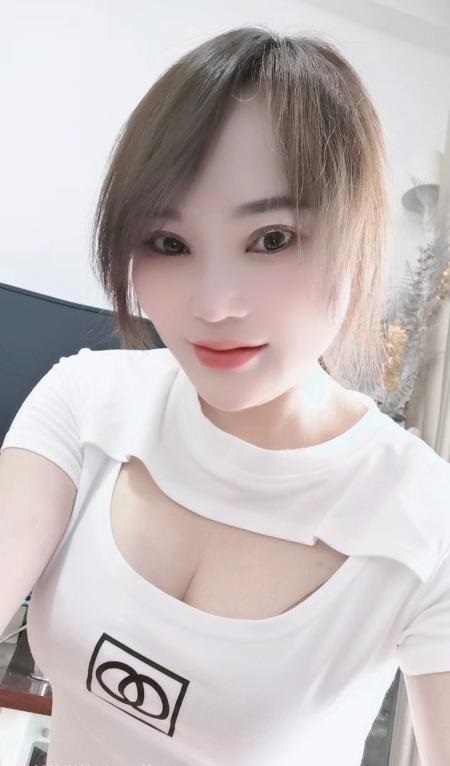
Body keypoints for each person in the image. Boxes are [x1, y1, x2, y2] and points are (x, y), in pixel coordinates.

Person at [2, 24, 450, 766]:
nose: (213, 305)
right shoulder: (86, 405)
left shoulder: (425, 518)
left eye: (272, 239)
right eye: (169, 243)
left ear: (356, 234)